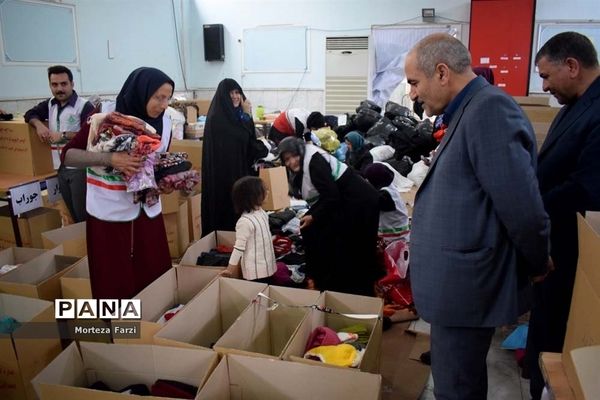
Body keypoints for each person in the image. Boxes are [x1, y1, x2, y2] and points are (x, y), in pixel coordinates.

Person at [405, 33, 550, 399]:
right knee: (456, 380)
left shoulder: (488, 111)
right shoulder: (466, 111)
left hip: (465, 287)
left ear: (441, 72)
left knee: (457, 388)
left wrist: (536, 262)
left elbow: (522, 205)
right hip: (456, 285)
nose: (412, 94)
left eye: (414, 82)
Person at [526, 31, 600, 400]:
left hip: (571, 247)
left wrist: (533, 205)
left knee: (555, 329)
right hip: (553, 239)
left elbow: (588, 187)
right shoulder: (574, 106)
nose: (544, 85)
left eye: (546, 75)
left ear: (571, 66)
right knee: (544, 324)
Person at [61, 67, 175, 299]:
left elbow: (157, 163)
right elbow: (68, 155)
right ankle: (120, 327)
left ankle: (152, 324)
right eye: (158, 97)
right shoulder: (105, 116)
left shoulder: (166, 122)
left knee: (153, 271)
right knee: (113, 275)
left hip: (147, 211)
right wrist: (110, 158)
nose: (164, 105)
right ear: (141, 93)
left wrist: (166, 180)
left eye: (168, 98)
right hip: (108, 211)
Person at [278, 136, 381, 296]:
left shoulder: (314, 162)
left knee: (356, 246)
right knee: (316, 232)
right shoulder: (307, 161)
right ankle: (328, 283)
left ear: (300, 152)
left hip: (360, 202)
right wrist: (312, 215)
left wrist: (313, 216)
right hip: (345, 199)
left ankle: (360, 291)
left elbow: (331, 196)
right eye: (287, 159)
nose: (291, 162)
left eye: (294, 156)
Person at [24, 65, 95, 223]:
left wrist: (63, 136)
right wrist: (39, 125)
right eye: (54, 85)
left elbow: (91, 136)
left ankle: (88, 245)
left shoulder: (84, 106)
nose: (59, 89)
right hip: (60, 169)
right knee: (72, 214)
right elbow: (29, 114)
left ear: (72, 84)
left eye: (64, 84)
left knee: (83, 215)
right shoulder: (50, 104)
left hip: (79, 169)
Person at [201, 78, 267, 235]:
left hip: (237, 173)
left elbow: (248, 141)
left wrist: (245, 116)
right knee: (228, 216)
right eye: (231, 93)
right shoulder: (218, 119)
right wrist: (246, 115)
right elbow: (243, 137)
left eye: (238, 92)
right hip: (224, 178)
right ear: (224, 95)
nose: (236, 96)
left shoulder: (235, 116)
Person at [221, 176, 277, 283]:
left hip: (268, 265)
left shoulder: (261, 212)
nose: (268, 192)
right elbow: (238, 248)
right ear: (253, 196)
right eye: (264, 190)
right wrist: (230, 269)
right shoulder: (245, 221)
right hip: (255, 272)